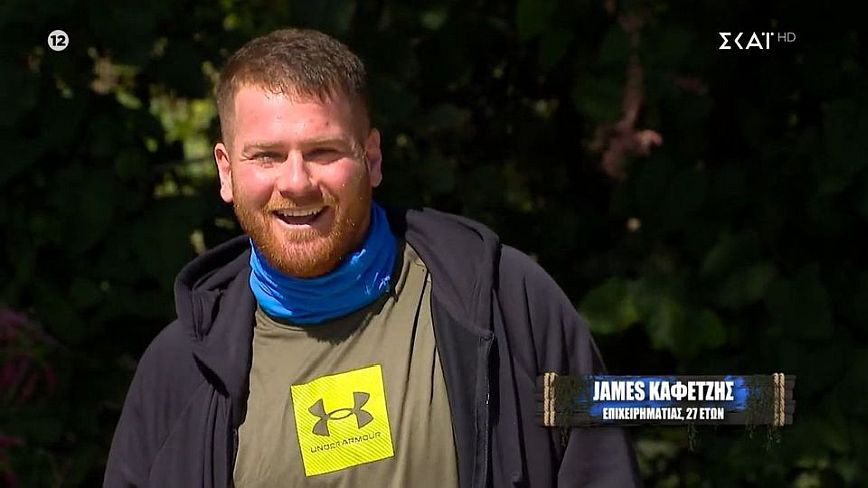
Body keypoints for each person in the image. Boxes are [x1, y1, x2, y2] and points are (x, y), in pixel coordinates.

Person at [104, 28, 639, 488]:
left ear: (372, 157)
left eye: (323, 152)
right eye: (267, 156)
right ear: (226, 171)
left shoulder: (508, 302)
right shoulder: (179, 371)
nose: (296, 182)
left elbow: (602, 456)